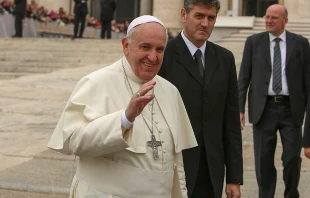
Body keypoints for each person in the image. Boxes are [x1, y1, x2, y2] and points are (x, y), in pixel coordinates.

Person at [47, 15, 197, 198]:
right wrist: (124, 119)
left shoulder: (170, 91)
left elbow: (176, 162)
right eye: (145, 47)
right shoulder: (96, 82)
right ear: (126, 45)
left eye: (160, 49)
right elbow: (74, 141)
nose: (153, 56)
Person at [158, 0, 243, 198]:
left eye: (210, 18)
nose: (205, 23)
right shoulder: (163, 55)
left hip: (211, 170)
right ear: (183, 15)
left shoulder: (225, 59)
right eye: (199, 16)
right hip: (173, 167)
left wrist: (234, 177)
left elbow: (230, 122)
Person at [238, 4, 310, 198]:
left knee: (292, 159)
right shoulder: (253, 42)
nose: (268, 21)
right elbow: (244, 77)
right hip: (264, 109)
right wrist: (240, 109)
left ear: (285, 20)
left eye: (274, 18)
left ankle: (291, 193)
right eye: (267, 17)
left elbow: (307, 82)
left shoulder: (301, 43)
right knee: (263, 160)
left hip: (291, 109)